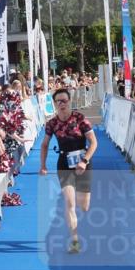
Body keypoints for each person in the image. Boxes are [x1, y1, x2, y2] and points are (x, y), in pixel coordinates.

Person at [39, 88, 97, 254]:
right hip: (64, 163)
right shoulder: (52, 123)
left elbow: (93, 143)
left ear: (70, 101)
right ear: (54, 104)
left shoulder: (80, 119)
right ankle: (75, 241)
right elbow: (44, 145)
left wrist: (84, 161)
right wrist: (43, 165)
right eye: (58, 101)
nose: (61, 104)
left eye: (64, 101)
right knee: (70, 203)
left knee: (84, 206)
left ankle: (79, 220)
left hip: (83, 162)